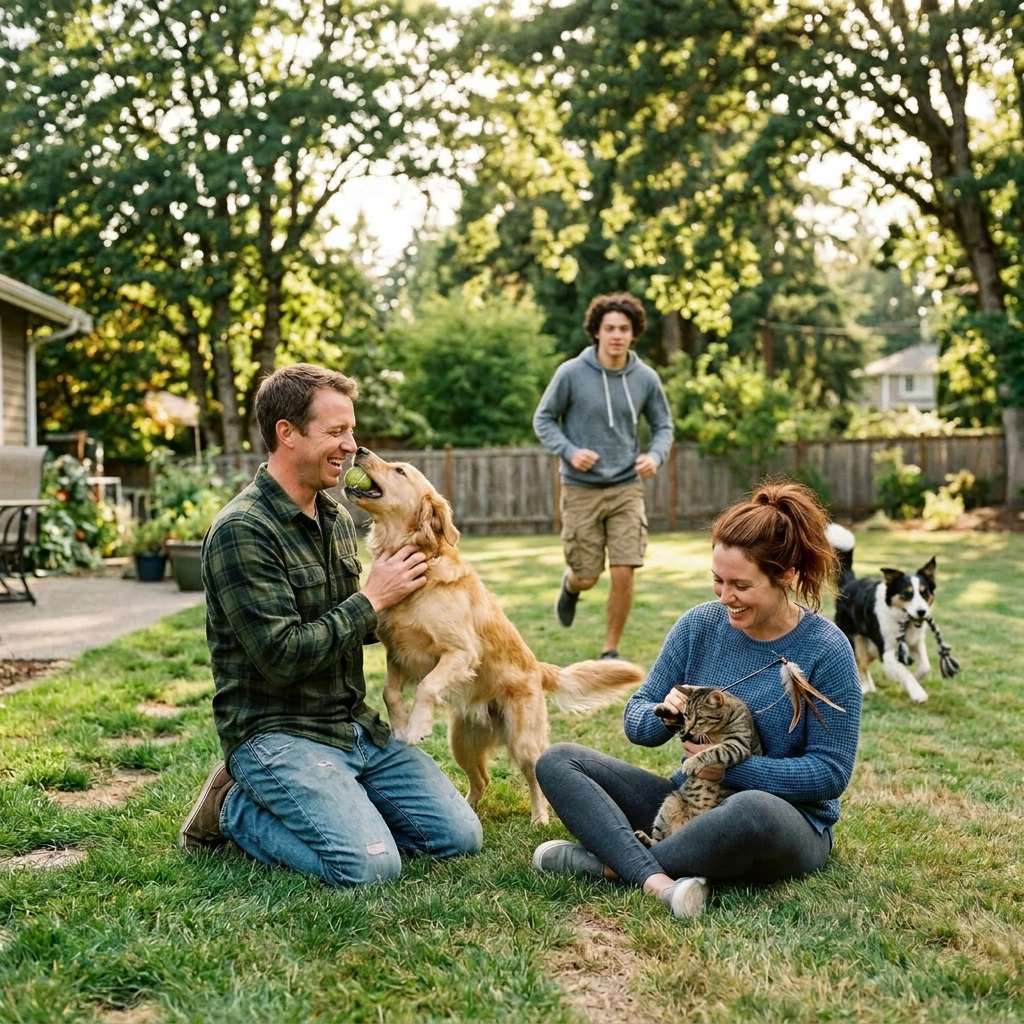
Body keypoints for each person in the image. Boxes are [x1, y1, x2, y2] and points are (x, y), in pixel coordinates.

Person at [178, 363, 482, 885]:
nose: (351, 446)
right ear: (287, 433)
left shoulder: (338, 517)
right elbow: (282, 657)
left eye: (351, 430)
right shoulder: (242, 531)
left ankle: (340, 799)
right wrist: (373, 598)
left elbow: (355, 625)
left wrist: (428, 609)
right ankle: (233, 809)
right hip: (277, 732)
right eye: (336, 432)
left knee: (458, 836)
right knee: (368, 866)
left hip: (349, 725)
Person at [530, 481, 861, 919]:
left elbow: (830, 773)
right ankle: (662, 879)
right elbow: (636, 721)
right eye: (717, 581)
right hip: (690, 802)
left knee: (751, 808)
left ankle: (608, 866)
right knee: (558, 761)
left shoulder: (827, 649)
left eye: (741, 585)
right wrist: (664, 715)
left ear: (785, 576)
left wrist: (733, 768)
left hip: (785, 822)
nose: (725, 598)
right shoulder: (699, 626)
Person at [533, 293, 674, 659]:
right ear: (596, 331)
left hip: (627, 486)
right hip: (581, 490)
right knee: (588, 574)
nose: (616, 335)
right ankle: (572, 585)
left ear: (634, 334)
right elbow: (543, 419)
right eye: (609, 328)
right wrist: (570, 450)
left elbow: (663, 425)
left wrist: (655, 455)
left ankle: (609, 650)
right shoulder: (571, 374)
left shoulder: (645, 378)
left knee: (625, 569)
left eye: (624, 329)